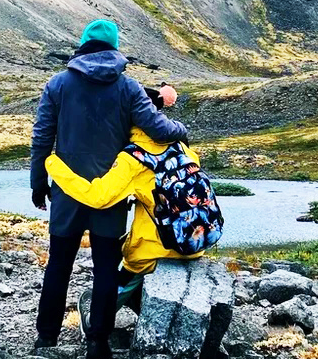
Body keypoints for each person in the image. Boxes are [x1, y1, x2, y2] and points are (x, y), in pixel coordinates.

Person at [30, 20, 188, 359]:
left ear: (82, 44)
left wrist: (38, 184)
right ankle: (98, 343)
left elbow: (42, 138)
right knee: (105, 267)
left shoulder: (57, 85)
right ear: (114, 48)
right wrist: (181, 128)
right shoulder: (128, 88)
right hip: (113, 193)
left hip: (68, 193)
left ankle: (46, 339)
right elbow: (158, 130)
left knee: (58, 263)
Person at [44, 84, 209, 336]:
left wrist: (54, 165)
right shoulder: (184, 149)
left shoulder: (134, 159)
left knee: (122, 268)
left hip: (158, 250)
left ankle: (93, 325)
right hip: (196, 242)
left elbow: (98, 197)